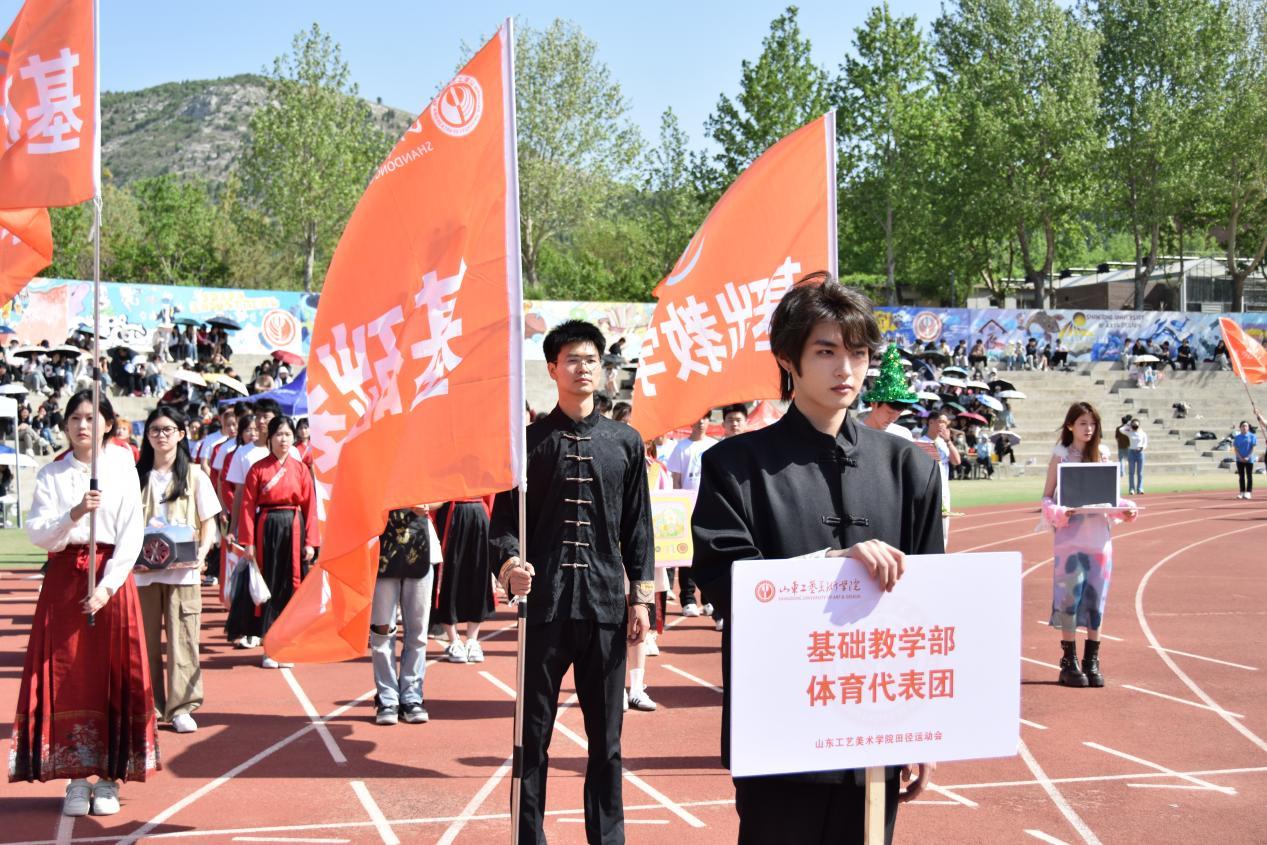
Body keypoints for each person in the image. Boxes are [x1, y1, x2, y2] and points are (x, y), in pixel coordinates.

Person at [691, 273, 940, 845]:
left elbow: (929, 605)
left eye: (858, 353)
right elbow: (726, 582)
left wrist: (924, 730)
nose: (845, 369)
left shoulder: (911, 468)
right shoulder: (735, 467)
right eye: (826, 352)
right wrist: (832, 562)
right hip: (778, 728)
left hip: (876, 730)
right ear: (788, 359)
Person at [489, 319, 654, 845]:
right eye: (573, 360)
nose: (583, 368)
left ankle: (607, 839)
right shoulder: (528, 445)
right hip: (545, 608)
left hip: (605, 608)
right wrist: (510, 564)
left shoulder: (626, 442)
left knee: (607, 741)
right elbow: (503, 525)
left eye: (591, 360)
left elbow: (639, 526)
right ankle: (528, 838)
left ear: (602, 369)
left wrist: (641, 600)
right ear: (552, 369)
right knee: (531, 737)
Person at [11, 391, 154, 816]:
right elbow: (38, 533)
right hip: (65, 581)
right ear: (65, 425)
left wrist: (107, 587)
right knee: (67, 674)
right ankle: (75, 777)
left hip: (110, 579)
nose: (83, 426)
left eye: (92, 417)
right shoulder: (52, 474)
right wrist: (74, 513)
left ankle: (109, 777)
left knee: (113, 672)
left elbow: (132, 533)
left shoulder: (123, 466)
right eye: (75, 418)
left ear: (107, 423)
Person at [134, 406, 220, 734]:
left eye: (168, 429)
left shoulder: (195, 475)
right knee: (145, 643)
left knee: (183, 638)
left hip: (183, 572)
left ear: (181, 434)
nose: (161, 435)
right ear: (147, 436)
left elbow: (209, 520)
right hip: (144, 572)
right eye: (155, 430)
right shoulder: (137, 475)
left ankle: (182, 706)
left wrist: (202, 552)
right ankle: (150, 705)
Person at [1041, 402, 1138, 687]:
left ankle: (1091, 660)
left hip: (1099, 541)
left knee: (1097, 599)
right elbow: (1046, 498)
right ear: (1070, 425)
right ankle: (1068, 662)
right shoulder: (1061, 456)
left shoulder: (1103, 455)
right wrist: (1059, 512)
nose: (1088, 429)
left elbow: (1111, 498)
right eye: (1083, 423)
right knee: (1069, 600)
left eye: (1092, 423)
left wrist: (1126, 508)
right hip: (1070, 542)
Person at [235, 416, 319, 668]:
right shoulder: (258, 469)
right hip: (267, 527)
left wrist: (310, 541)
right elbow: (247, 507)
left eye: (287, 434)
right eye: (279, 434)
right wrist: (248, 542)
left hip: (294, 526)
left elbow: (310, 506)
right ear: (270, 438)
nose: (284, 439)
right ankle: (269, 648)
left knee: (291, 585)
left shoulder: (301, 469)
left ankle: (286, 646)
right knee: (268, 583)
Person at [371, 506, 438, 726]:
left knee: (418, 632)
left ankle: (412, 697)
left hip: (420, 548)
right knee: (382, 632)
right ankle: (387, 699)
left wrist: (428, 505)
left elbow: (443, 495)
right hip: (382, 549)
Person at [433, 497, 496, 664]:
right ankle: (453, 639)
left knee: (479, 574)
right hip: (451, 510)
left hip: (479, 511)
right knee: (449, 574)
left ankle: (472, 640)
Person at [666, 413, 716, 620]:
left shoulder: (714, 445)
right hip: (687, 509)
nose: (701, 422)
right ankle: (688, 599)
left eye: (705, 418)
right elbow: (677, 480)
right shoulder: (681, 447)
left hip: (710, 507)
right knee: (686, 555)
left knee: (710, 554)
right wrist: (679, 507)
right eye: (698, 418)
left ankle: (709, 598)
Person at [919, 411, 961, 541]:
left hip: (943, 492)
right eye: (941, 421)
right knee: (925, 528)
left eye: (946, 423)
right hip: (926, 492)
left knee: (943, 530)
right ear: (931, 422)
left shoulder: (944, 443)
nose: (944, 425)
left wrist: (948, 441)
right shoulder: (920, 442)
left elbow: (956, 461)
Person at [1119, 417, 1148, 495]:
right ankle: (1132, 489)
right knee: (1131, 472)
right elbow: (1121, 430)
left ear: (1139, 425)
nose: (1135, 426)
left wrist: (1142, 448)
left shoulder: (1143, 433)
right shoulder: (1130, 432)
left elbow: (1145, 443)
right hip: (1131, 452)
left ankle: (1140, 489)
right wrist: (1128, 424)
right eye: (1133, 425)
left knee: (1140, 473)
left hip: (1140, 453)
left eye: (1136, 425)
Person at [1234, 420, 1257, 499]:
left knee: (1249, 476)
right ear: (1240, 427)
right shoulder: (1237, 437)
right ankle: (1242, 492)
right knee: (1241, 476)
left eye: (1246, 426)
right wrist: (1240, 457)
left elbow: (1253, 448)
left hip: (1249, 460)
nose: (1244, 427)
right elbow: (1236, 449)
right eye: (1243, 426)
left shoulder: (1252, 436)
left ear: (1248, 427)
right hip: (1239, 459)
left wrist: (1248, 457)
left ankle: (1248, 492)